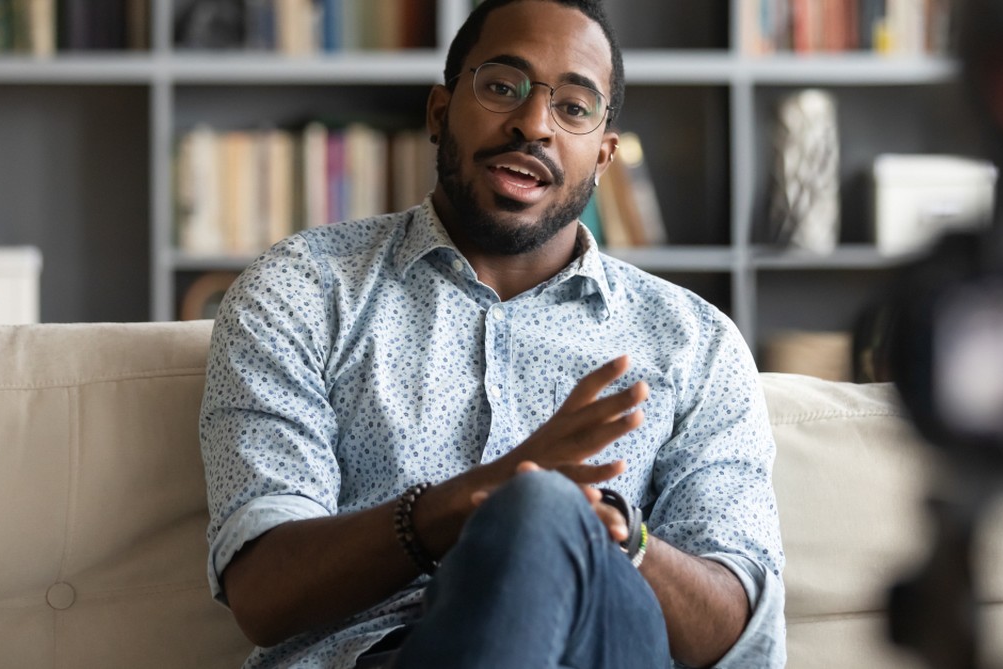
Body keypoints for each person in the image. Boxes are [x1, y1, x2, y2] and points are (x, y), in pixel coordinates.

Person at [199, 1, 786, 667]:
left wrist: (617, 538)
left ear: (604, 154)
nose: (533, 123)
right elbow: (263, 592)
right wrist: (481, 497)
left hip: (604, 644)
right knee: (538, 501)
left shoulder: (694, 343)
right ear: (439, 112)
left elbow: (740, 636)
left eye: (572, 107)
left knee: (557, 521)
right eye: (503, 87)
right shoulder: (303, 290)